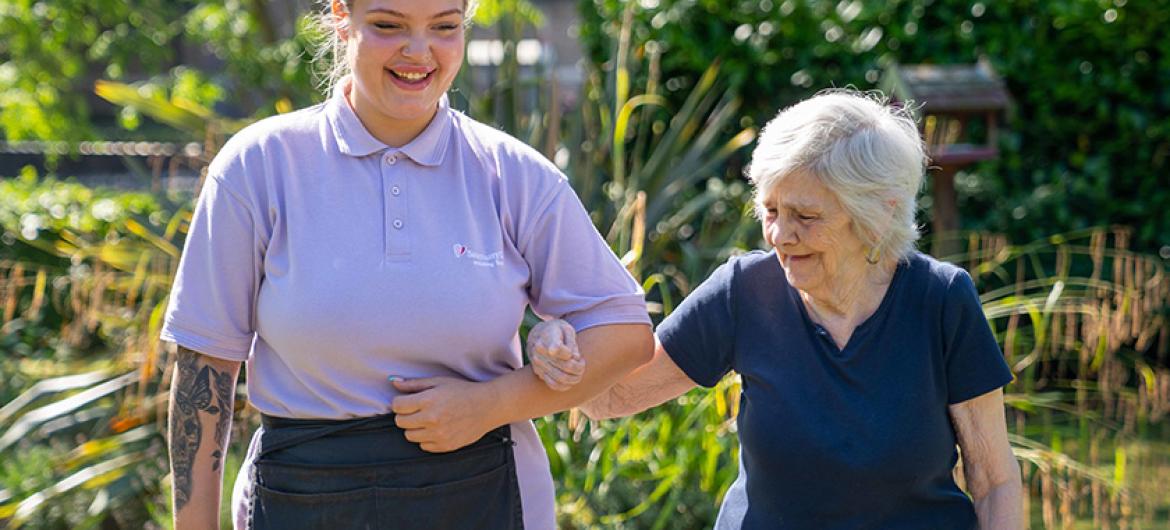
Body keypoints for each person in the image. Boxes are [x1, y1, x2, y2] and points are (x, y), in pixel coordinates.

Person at [159, 1, 653, 529]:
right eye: (388, 26)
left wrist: (491, 405)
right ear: (342, 17)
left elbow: (626, 334)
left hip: (487, 499)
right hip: (302, 499)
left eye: (444, 27)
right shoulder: (259, 166)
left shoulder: (512, 175)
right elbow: (204, 371)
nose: (419, 53)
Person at [533, 90, 1023, 529]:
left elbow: (994, 479)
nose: (780, 237)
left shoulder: (939, 300)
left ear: (880, 214)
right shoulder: (744, 292)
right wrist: (559, 343)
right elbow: (610, 397)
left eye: (806, 217)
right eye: (771, 211)